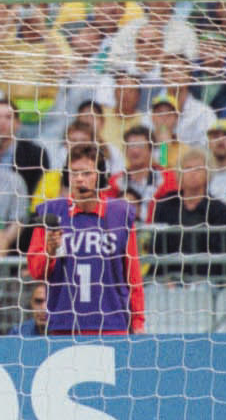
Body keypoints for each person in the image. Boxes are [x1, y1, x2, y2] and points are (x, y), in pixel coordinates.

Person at [26, 142, 146, 335]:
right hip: (64, 324)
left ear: (100, 176)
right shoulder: (51, 213)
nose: (80, 179)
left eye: (87, 173)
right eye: (74, 173)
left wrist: (138, 320)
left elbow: (133, 275)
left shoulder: (120, 213)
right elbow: (35, 271)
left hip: (112, 324)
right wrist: (50, 252)